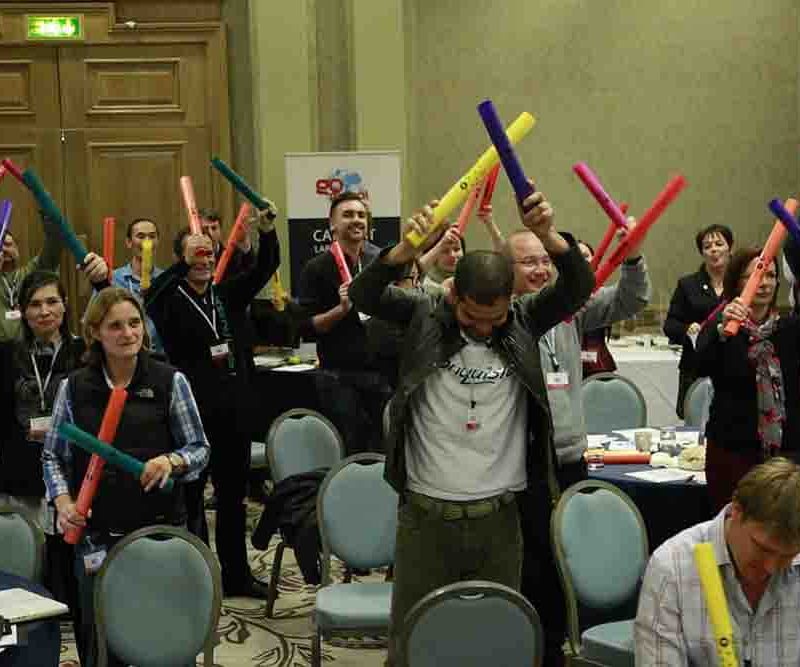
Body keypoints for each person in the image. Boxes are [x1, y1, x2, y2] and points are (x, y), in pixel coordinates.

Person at [348, 186, 594, 664]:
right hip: (425, 518)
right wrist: (403, 251)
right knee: (413, 644)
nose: (483, 327)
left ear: (510, 301)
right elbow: (364, 295)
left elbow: (578, 287)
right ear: (453, 294)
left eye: (494, 318)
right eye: (471, 316)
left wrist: (549, 237)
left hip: (498, 521)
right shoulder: (423, 315)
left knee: (493, 642)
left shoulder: (524, 319)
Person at [490, 218, 649, 664]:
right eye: (529, 262)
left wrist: (633, 256)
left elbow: (631, 299)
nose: (541, 270)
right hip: (520, 462)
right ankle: (532, 646)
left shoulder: (569, 310)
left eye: (546, 261)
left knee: (569, 556)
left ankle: (563, 641)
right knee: (532, 561)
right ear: (506, 270)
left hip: (570, 455)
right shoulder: (497, 319)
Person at [42, 287, 210, 667]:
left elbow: (200, 449)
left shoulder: (171, 381)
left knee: (166, 639)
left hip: (160, 534)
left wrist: (172, 461)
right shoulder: (74, 387)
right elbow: (53, 455)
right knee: (101, 643)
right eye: (115, 326)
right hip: (97, 538)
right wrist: (64, 502)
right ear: (95, 333)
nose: (128, 333)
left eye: (134, 323)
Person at [145, 207, 279, 597]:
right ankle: (197, 577)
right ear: (182, 259)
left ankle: (236, 575)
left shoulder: (225, 294)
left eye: (209, 253)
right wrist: (183, 263)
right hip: (190, 416)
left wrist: (268, 231)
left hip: (232, 413)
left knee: (233, 499)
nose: (204, 261)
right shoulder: (170, 298)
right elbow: (151, 296)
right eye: (196, 255)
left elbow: (264, 267)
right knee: (190, 502)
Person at [0, 267, 104, 614]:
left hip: (72, 469)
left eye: (51, 302)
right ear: (23, 311)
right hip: (21, 470)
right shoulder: (7, 354)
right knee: (27, 558)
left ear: (64, 306)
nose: (44, 311)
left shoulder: (85, 353)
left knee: (69, 556)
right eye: (35, 304)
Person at [635, 457, 800, 666]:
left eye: (787, 555)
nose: (771, 567)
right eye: (763, 548)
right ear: (736, 511)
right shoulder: (671, 567)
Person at [695, 247, 800, 512]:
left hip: (784, 456)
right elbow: (699, 365)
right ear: (736, 281)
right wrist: (721, 331)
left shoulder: (788, 329)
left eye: (771, 276)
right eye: (756, 276)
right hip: (733, 453)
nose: (764, 283)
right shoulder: (723, 328)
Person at [298, 191, 387, 454]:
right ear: (332, 225)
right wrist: (341, 309)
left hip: (381, 375)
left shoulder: (379, 261)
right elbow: (308, 327)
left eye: (361, 215)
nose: (356, 220)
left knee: (384, 450)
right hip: (338, 378)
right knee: (350, 450)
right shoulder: (316, 268)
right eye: (347, 215)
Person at [664, 224, 733, 418]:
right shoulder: (688, 285)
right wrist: (687, 329)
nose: (713, 250)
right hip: (695, 367)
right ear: (702, 253)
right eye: (707, 246)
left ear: (730, 248)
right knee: (693, 422)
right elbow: (670, 325)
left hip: (732, 364)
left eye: (719, 244)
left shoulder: (741, 284)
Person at [1, 214, 64, 342]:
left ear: (16, 247)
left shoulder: (32, 273)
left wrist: (47, 213)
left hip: (34, 347)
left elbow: (54, 244)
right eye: (0, 246)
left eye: (8, 244)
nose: (4, 250)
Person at [109, 217, 165, 354]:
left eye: (152, 236)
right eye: (141, 236)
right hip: (122, 352)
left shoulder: (166, 280)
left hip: (159, 356)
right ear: (129, 242)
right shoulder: (112, 279)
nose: (147, 242)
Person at [577, 240, 619, 377]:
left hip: (598, 365)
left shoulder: (604, 296)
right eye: (577, 257)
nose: (582, 261)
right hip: (569, 368)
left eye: (586, 256)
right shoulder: (557, 295)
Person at [418, 224, 464, 296]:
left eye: (456, 249)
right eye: (445, 251)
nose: (452, 255)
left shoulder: (471, 279)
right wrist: (441, 290)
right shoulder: (422, 284)